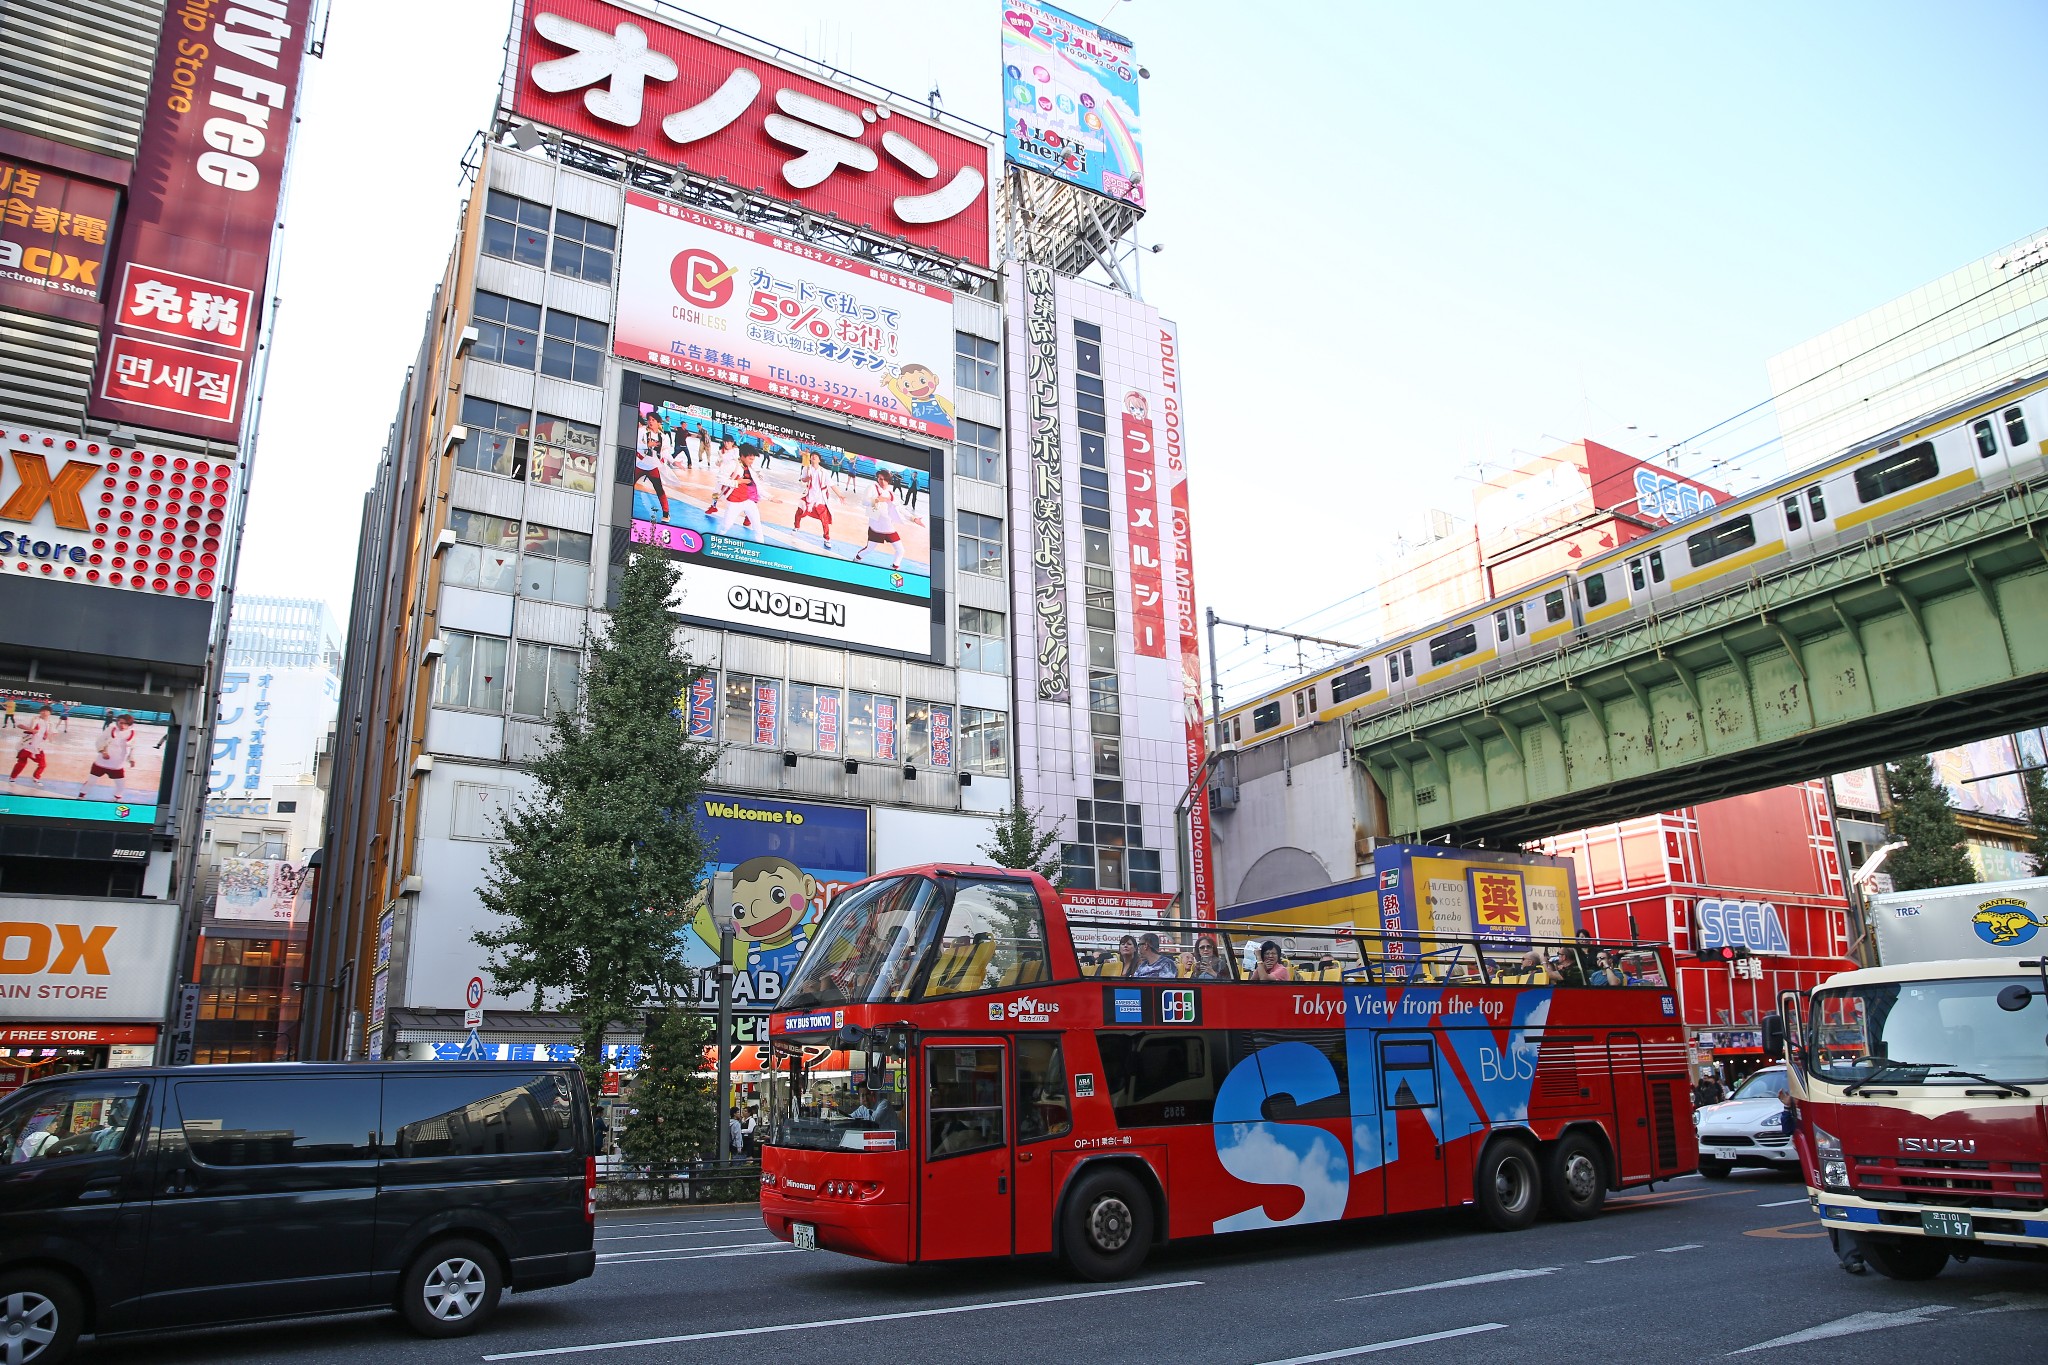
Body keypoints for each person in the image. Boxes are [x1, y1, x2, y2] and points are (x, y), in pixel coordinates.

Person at [851, 469, 920, 570]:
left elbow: (899, 508)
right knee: (869, 549)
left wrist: (913, 518)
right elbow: (865, 502)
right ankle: (856, 559)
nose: (882, 481)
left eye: (884, 479)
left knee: (900, 550)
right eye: (880, 479)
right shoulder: (872, 487)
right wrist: (877, 500)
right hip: (876, 527)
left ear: (889, 480)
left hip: (889, 527)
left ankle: (895, 567)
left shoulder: (890, 493)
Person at [79, 713, 137, 802]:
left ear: (129, 725)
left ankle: (117, 799)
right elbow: (99, 741)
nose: (122, 725)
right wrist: (103, 751)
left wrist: (132, 759)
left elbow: (132, 748)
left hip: (117, 765)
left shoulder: (132, 733)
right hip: (101, 762)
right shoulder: (110, 729)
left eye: (125, 724)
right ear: (117, 722)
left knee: (121, 784)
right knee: (91, 781)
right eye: (121, 723)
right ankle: (81, 796)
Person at [715, 446, 765, 539]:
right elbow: (720, 479)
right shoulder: (732, 464)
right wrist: (738, 482)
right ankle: (714, 539)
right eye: (750, 459)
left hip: (749, 500)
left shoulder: (751, 468)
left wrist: (770, 497)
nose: (752, 462)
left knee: (757, 526)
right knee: (726, 526)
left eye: (753, 459)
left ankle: (761, 545)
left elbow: (758, 486)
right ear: (742, 456)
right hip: (735, 501)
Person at [793, 449, 835, 546]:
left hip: (820, 499)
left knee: (824, 520)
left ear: (819, 460)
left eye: (816, 456)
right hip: (809, 496)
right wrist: (806, 479)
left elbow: (832, 485)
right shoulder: (806, 469)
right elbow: (803, 479)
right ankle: (796, 526)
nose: (814, 457)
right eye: (812, 456)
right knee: (799, 512)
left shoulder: (824, 472)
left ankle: (827, 538)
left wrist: (840, 495)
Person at [633, 414, 671, 520]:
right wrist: (647, 445)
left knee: (659, 489)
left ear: (658, 423)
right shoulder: (642, 431)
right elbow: (635, 444)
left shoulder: (663, 437)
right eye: (649, 419)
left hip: (652, 467)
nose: (650, 422)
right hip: (639, 465)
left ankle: (666, 513)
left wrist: (674, 462)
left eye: (653, 420)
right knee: (627, 485)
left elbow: (666, 452)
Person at [8, 704, 54, 787]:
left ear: (50, 713)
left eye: (47, 711)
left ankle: (36, 778)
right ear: (40, 712)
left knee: (43, 765)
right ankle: (12, 778)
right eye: (43, 711)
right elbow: (19, 725)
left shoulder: (50, 723)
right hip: (27, 745)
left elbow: (53, 732)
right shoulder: (33, 719)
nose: (44, 713)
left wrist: (51, 737)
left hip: (38, 747)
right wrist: (31, 730)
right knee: (21, 763)